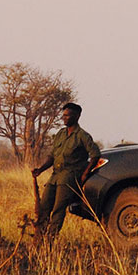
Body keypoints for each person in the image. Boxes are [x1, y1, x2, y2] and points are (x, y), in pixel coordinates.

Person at [32, 102, 100, 239]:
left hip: (69, 177)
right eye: (63, 115)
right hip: (55, 176)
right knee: (44, 207)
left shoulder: (82, 136)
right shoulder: (60, 134)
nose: (64, 118)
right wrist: (40, 169)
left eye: (67, 115)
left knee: (58, 210)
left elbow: (95, 155)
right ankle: (39, 241)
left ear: (77, 116)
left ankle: (50, 241)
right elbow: (52, 156)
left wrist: (85, 174)